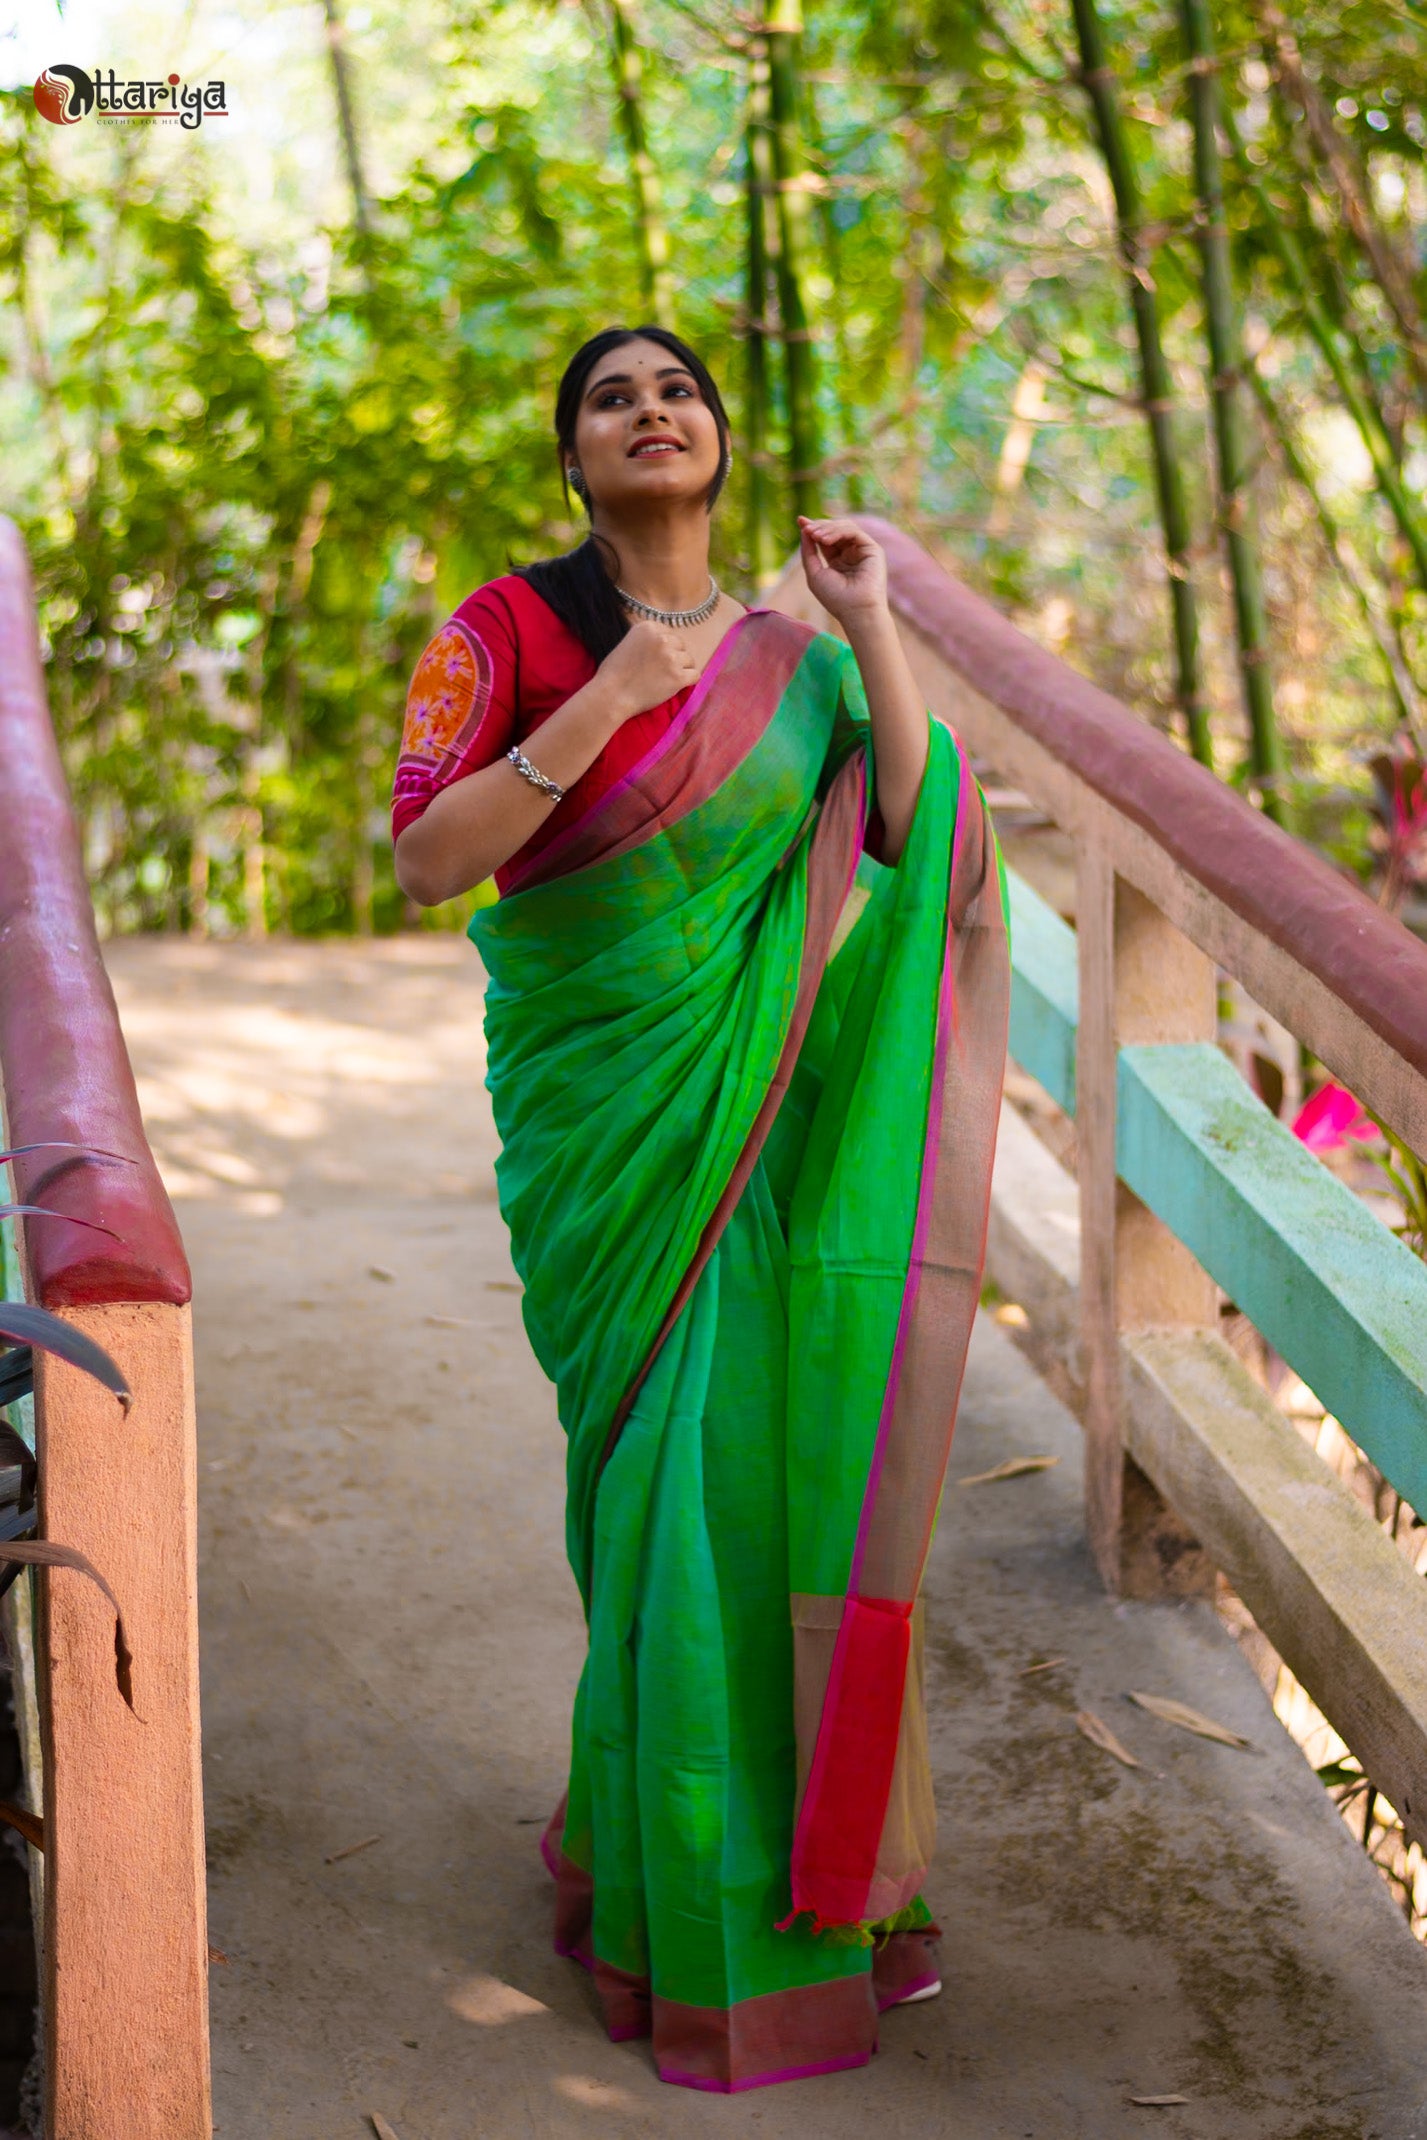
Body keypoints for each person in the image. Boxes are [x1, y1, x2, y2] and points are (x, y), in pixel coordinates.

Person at [392, 324, 1010, 2094]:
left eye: (679, 391)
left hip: (756, 1153)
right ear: (574, 458)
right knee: (655, 1499)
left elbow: (913, 836)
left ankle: (763, 1890)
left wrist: (873, 618)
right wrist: (608, 702)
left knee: (742, 1501)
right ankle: (683, 1900)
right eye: (612, 398)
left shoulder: (790, 656)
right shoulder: (503, 632)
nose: (652, 412)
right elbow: (429, 857)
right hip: (612, 1135)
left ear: (718, 441)